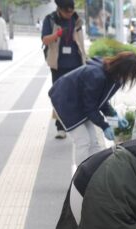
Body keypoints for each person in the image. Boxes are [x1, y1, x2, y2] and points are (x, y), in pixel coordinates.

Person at [49, 51, 136, 166]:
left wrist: (114, 116)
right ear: (125, 70)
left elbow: (101, 101)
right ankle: (80, 178)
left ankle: (96, 170)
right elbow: (90, 107)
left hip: (80, 102)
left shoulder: (113, 76)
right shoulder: (97, 75)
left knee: (94, 142)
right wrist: (105, 126)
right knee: (83, 141)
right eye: (133, 74)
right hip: (65, 100)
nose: (130, 79)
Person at [42, 0, 87, 140]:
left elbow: (81, 41)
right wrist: (57, 34)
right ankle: (60, 127)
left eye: (72, 10)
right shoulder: (50, 19)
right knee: (60, 96)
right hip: (58, 65)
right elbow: (45, 40)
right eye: (66, 11)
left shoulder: (77, 19)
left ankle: (74, 124)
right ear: (59, 9)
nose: (70, 14)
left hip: (76, 64)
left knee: (75, 95)